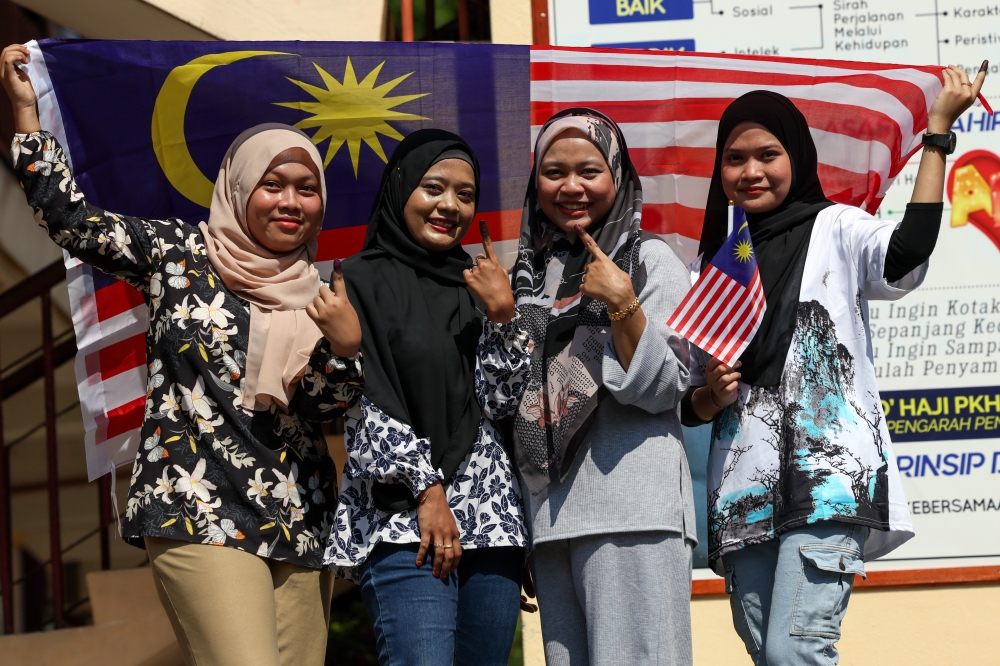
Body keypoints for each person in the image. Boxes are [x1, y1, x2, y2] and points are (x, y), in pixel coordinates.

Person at [2, 44, 365, 666]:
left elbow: (317, 405)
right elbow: (73, 221)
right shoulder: (178, 253)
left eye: (306, 189)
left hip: (298, 515)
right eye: (272, 184)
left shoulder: (323, 291)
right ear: (239, 185)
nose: (290, 202)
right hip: (193, 503)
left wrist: (345, 347)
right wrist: (28, 115)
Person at [682, 64, 989, 666]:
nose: (750, 171)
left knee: (798, 651)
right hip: (742, 493)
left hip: (830, 484)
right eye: (734, 158)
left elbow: (906, 252)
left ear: (796, 155)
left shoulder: (838, 227)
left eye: (766, 154)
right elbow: (689, 400)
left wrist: (938, 136)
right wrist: (709, 398)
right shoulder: (714, 265)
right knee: (771, 656)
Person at [323, 129, 533, 665]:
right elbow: (360, 398)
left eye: (465, 195)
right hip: (402, 519)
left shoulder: (479, 283)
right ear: (400, 190)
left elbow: (504, 404)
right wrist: (427, 491)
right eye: (434, 188)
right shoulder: (359, 280)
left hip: (489, 517)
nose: (450, 205)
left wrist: (504, 318)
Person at [512, 108, 697, 665]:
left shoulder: (650, 261)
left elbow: (669, 386)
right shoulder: (524, 275)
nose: (571, 187)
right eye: (554, 171)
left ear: (616, 175)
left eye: (589, 170)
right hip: (550, 518)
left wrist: (623, 304)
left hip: (633, 510)